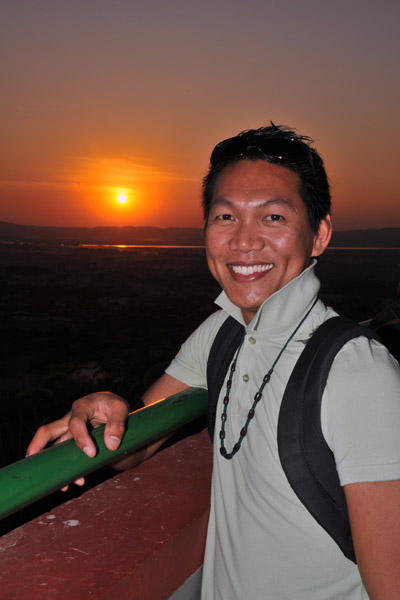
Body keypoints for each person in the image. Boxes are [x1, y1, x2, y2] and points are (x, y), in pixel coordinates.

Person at [28, 124, 400, 599]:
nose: (244, 242)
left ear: (319, 234)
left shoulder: (355, 372)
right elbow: (136, 447)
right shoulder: (222, 332)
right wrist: (106, 412)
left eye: (273, 218)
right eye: (225, 217)